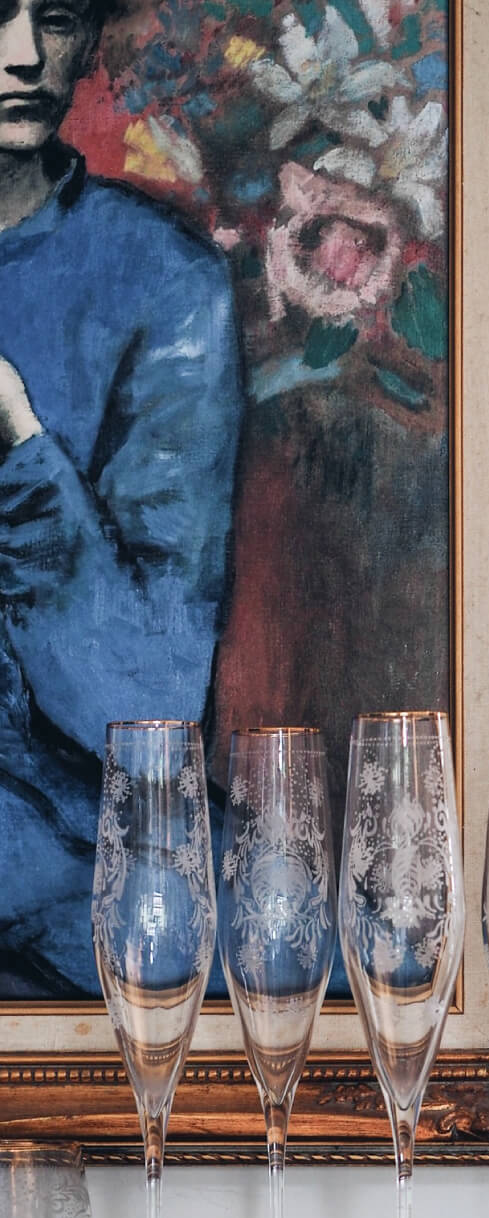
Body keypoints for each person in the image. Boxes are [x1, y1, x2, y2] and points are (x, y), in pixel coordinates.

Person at [0, 0, 241, 992]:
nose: (20, 56)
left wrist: (19, 445)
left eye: (52, 16)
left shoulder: (161, 280)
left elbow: (145, 709)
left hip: (93, 897)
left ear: (90, 37)